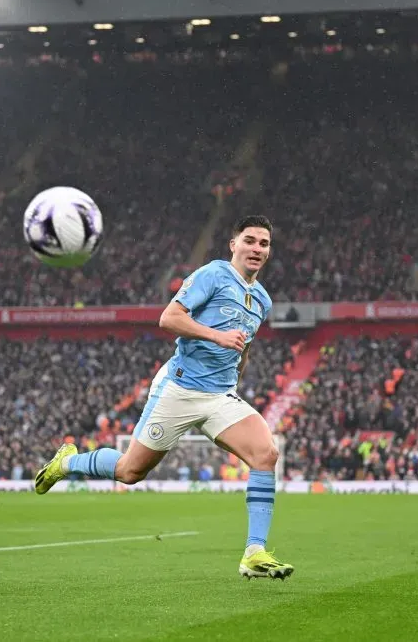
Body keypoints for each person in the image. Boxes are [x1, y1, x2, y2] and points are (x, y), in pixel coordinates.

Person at [34, 215, 293, 580]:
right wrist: (217, 337)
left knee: (266, 453)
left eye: (264, 244)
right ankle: (69, 462)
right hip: (180, 389)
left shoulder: (262, 300)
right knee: (130, 471)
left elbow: (243, 346)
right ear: (233, 244)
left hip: (221, 395)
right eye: (249, 240)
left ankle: (254, 552)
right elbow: (169, 318)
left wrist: (237, 375)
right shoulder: (213, 275)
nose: (256, 248)